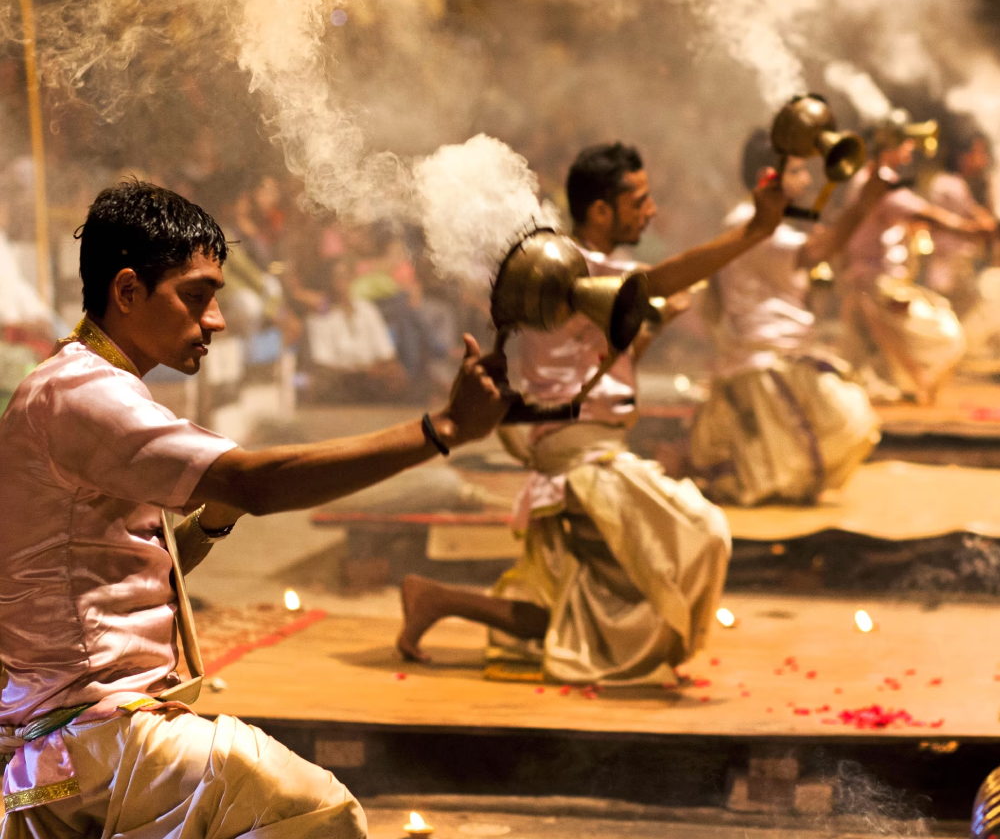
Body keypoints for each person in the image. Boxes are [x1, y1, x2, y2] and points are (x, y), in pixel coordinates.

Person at [0, 181, 507, 838]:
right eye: (196, 296)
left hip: (81, 744)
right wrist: (439, 431)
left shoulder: (80, 385)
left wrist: (214, 517)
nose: (216, 321)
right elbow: (259, 485)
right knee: (314, 810)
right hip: (93, 744)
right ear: (127, 292)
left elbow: (118, 570)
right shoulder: (82, 396)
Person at [395, 142, 787, 685]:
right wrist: (754, 233)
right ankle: (437, 600)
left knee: (587, 597)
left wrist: (651, 327)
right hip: (576, 452)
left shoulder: (587, 284)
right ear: (600, 211)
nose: (651, 213)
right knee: (705, 532)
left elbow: (606, 366)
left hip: (592, 443)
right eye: (639, 201)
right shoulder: (567, 272)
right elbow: (658, 280)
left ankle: (435, 599)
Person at [689, 130, 887, 507]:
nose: (807, 180)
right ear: (769, 175)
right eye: (797, 170)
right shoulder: (749, 222)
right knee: (847, 426)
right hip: (764, 365)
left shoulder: (764, 221)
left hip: (779, 360)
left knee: (837, 439)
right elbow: (818, 251)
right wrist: (861, 205)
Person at [841, 114, 982, 404]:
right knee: (947, 336)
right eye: (902, 141)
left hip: (873, 282)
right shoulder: (877, 181)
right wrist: (974, 230)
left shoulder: (874, 179)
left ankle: (917, 383)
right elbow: (926, 215)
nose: (910, 146)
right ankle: (918, 384)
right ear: (884, 146)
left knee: (881, 355)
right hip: (877, 284)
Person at [303, 256, 409, 401]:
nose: (340, 282)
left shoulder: (367, 310)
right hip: (342, 384)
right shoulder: (319, 317)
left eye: (345, 276)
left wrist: (380, 369)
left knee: (396, 373)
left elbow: (386, 352)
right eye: (336, 277)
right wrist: (363, 371)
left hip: (373, 381)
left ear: (353, 278)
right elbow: (323, 363)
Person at [923, 130, 997, 318]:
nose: (983, 159)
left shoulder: (955, 184)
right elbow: (985, 227)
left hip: (954, 270)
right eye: (978, 152)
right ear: (962, 156)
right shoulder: (950, 185)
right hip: (950, 271)